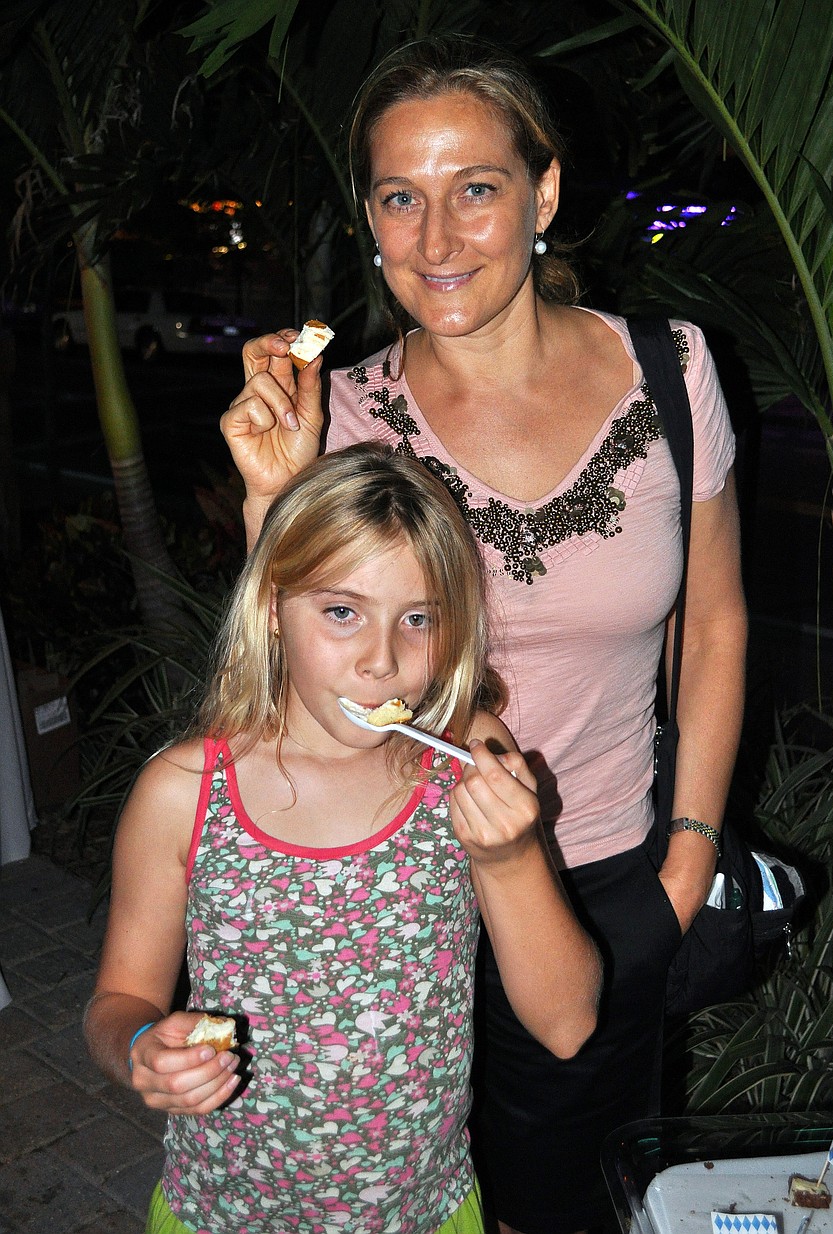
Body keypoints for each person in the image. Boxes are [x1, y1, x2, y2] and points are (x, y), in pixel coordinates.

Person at [221, 35, 748, 1234]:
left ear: (543, 193)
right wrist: (271, 498)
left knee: (566, 1205)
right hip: (390, 889)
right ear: (369, 214)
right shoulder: (340, 415)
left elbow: (712, 626)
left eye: (477, 189)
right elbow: (297, 682)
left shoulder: (665, 371)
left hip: (607, 870)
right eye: (401, 198)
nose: (439, 239)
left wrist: (684, 863)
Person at [84, 443, 601, 1234]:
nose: (383, 662)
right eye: (341, 612)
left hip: (425, 1214)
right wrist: (142, 1046)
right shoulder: (183, 794)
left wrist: (512, 856)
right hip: (222, 1215)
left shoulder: (465, 766)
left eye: (418, 619)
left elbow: (568, 1024)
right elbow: (118, 1002)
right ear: (271, 609)